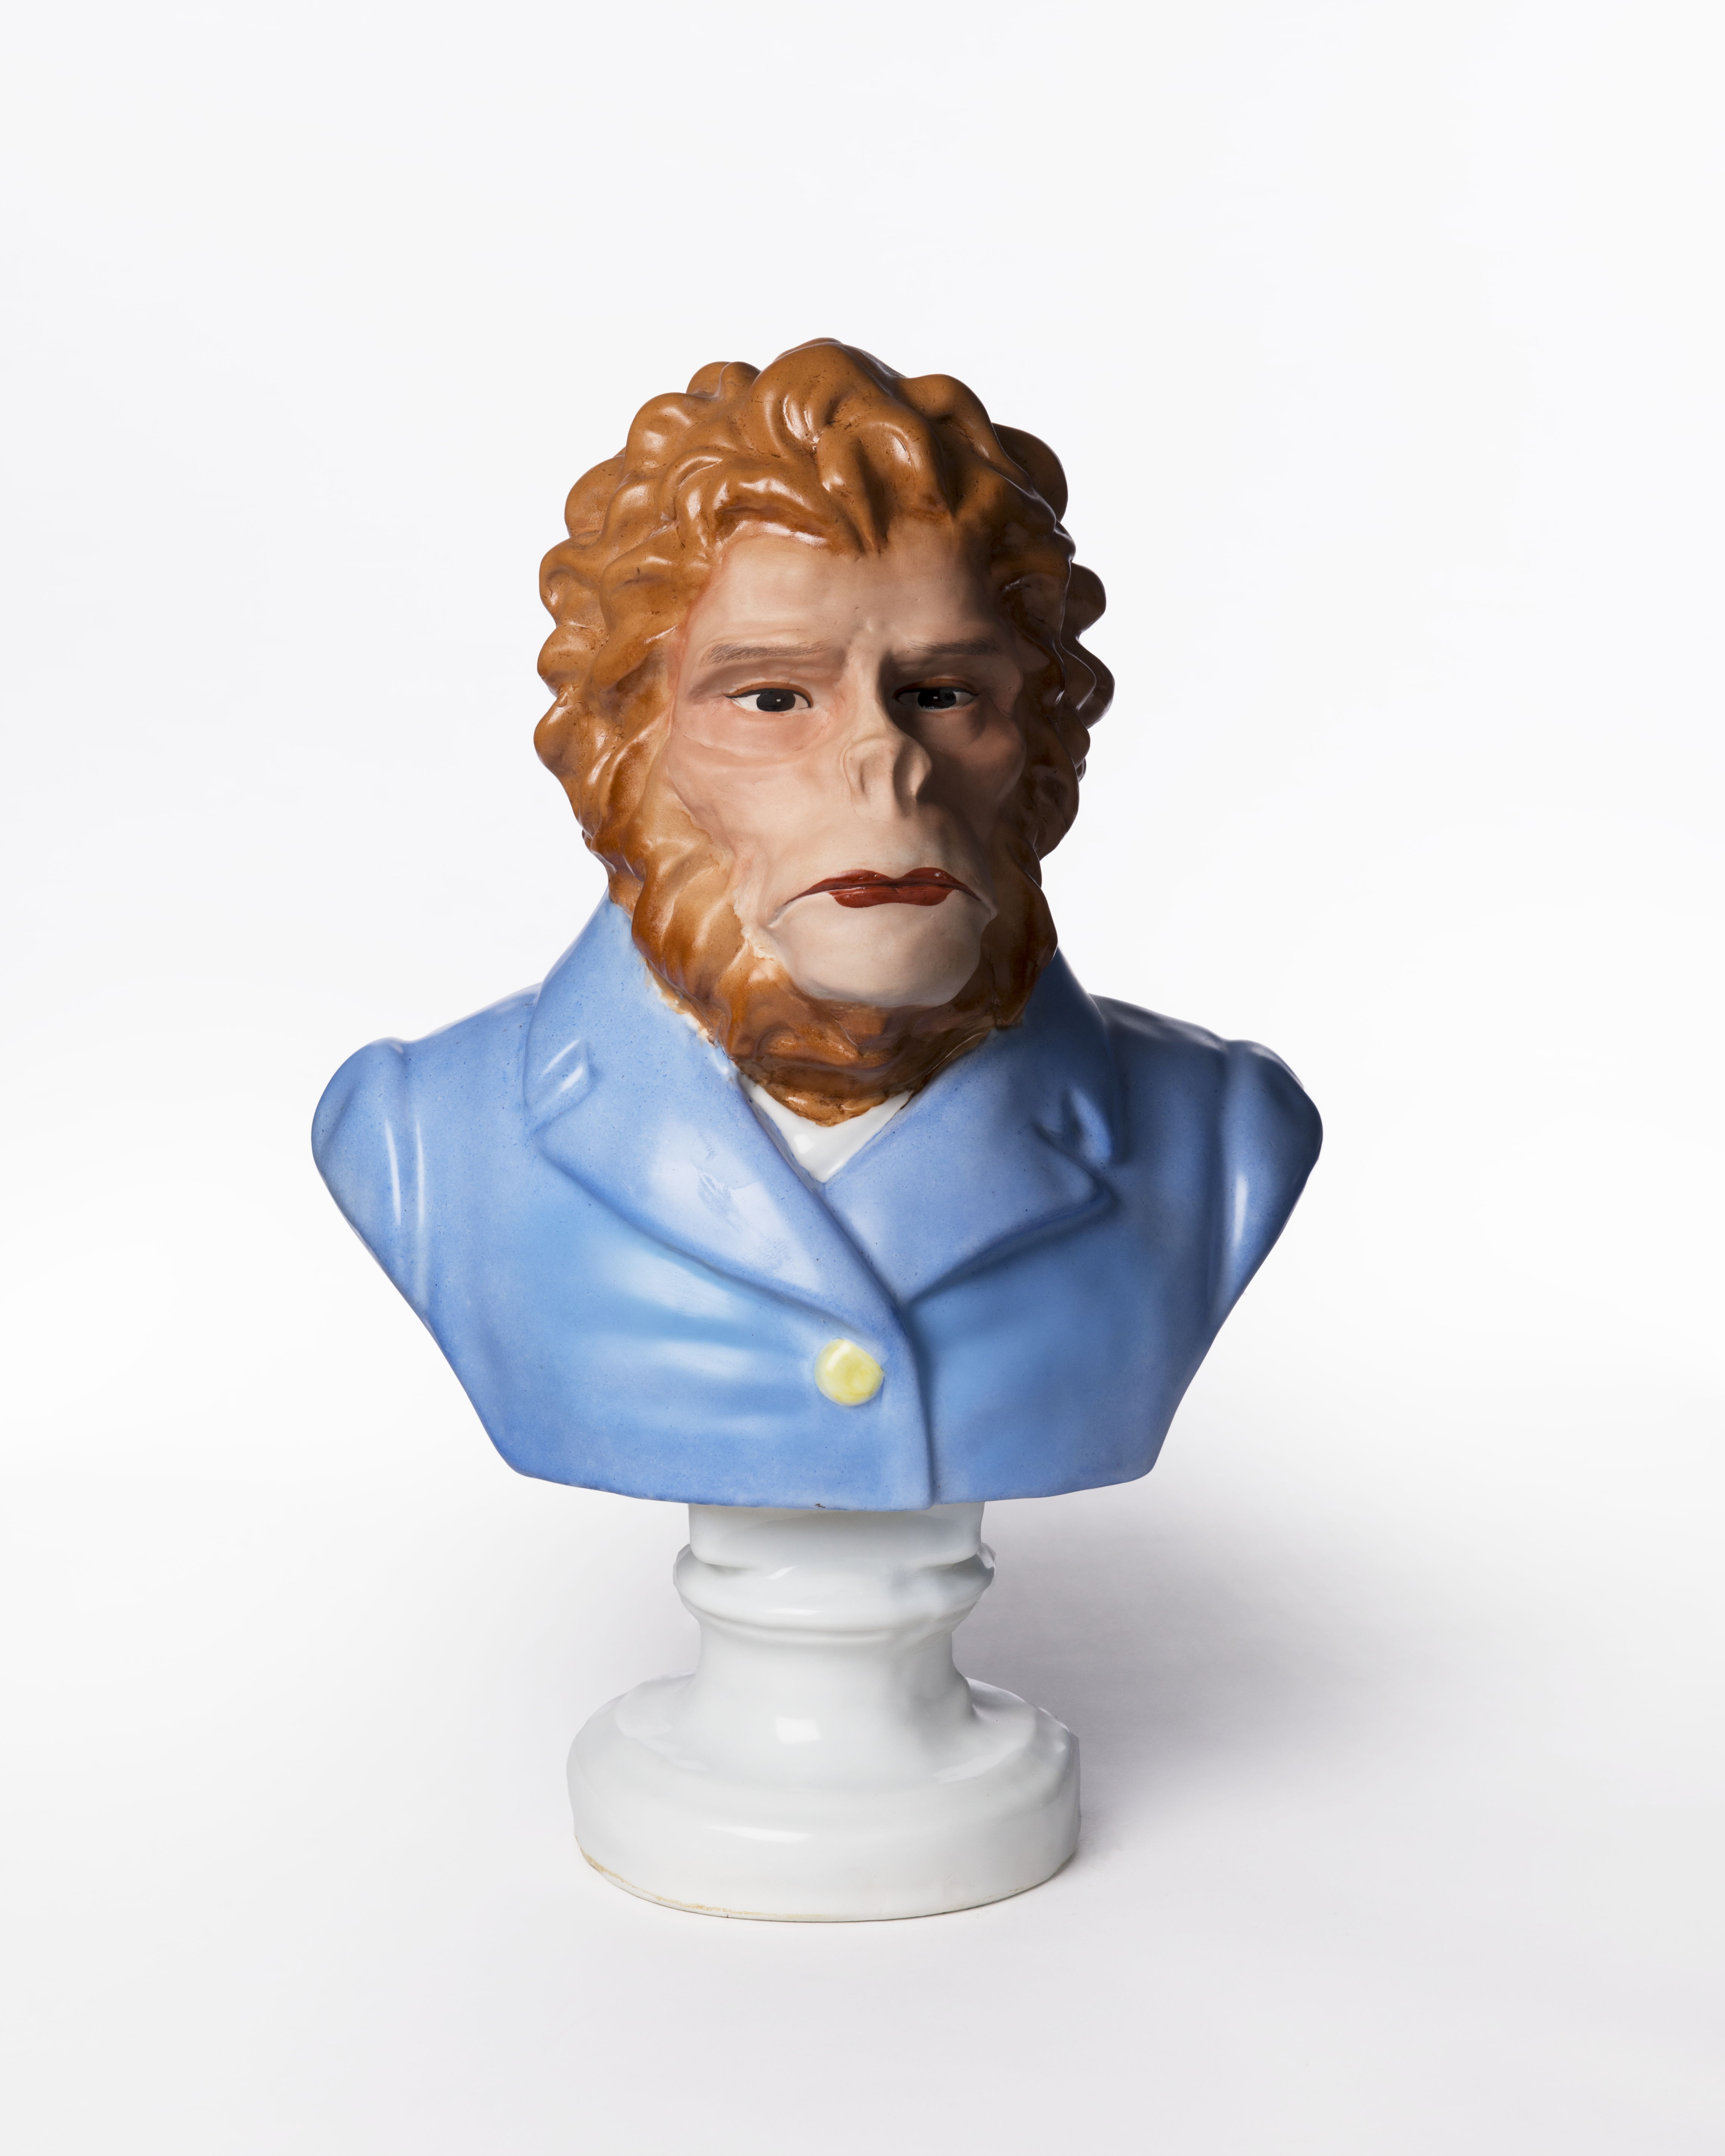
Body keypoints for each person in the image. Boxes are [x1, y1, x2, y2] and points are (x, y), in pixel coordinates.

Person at [313, 340, 1321, 1510]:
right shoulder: (419, 1138)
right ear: (623, 751)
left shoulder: (1225, 1138)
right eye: (771, 697)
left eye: (943, 694)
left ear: (1040, 741)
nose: (883, 760)